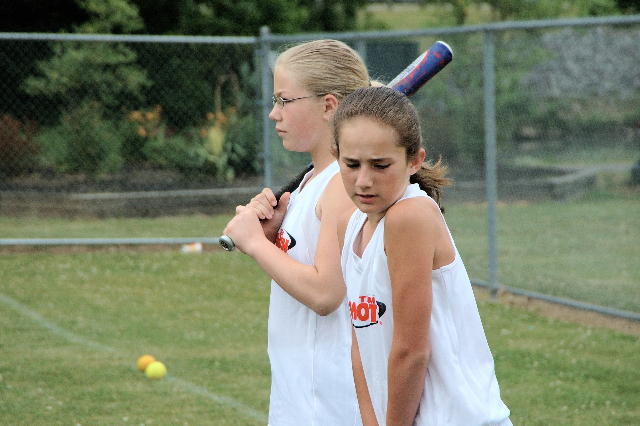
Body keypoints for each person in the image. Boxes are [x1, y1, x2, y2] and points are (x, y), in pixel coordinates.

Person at [333, 86, 512, 426]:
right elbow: (360, 345)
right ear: (336, 155)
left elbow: (411, 351)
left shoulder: (409, 216)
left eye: (380, 165)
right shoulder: (351, 224)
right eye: (351, 164)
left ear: (414, 160)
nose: (364, 180)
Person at [222, 39, 371, 425]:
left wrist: (255, 245)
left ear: (329, 106)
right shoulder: (311, 183)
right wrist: (273, 239)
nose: (274, 113)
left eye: (284, 101)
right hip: (302, 393)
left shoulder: (341, 185)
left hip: (331, 403)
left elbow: (326, 293)